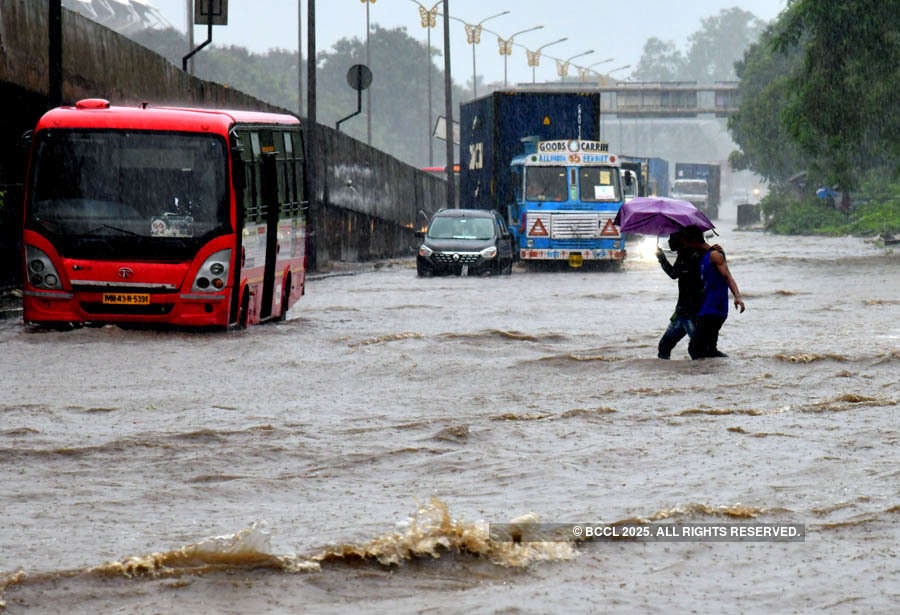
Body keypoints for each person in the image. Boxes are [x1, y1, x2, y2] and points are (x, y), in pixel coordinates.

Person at [681, 226, 745, 359]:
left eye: (686, 243)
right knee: (708, 350)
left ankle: (716, 370)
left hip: (715, 309)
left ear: (693, 242)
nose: (685, 246)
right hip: (707, 308)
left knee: (695, 348)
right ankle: (717, 372)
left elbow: (728, 276)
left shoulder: (715, 256)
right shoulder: (704, 257)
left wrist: (737, 297)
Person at [655, 231, 702, 359]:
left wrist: (662, 258)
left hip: (690, 313)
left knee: (698, 350)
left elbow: (674, 273)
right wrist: (662, 258)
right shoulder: (685, 255)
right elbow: (674, 274)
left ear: (682, 240)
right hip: (682, 312)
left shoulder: (692, 256)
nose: (670, 242)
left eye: (672, 238)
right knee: (664, 346)